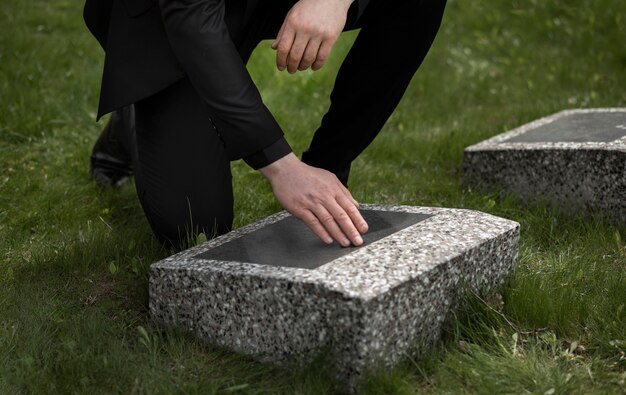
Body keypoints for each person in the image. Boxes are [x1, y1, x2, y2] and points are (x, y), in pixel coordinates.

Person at [84, 0, 446, 248]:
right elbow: (191, 20)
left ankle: (328, 170)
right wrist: (282, 167)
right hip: (174, 16)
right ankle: (132, 116)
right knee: (194, 226)